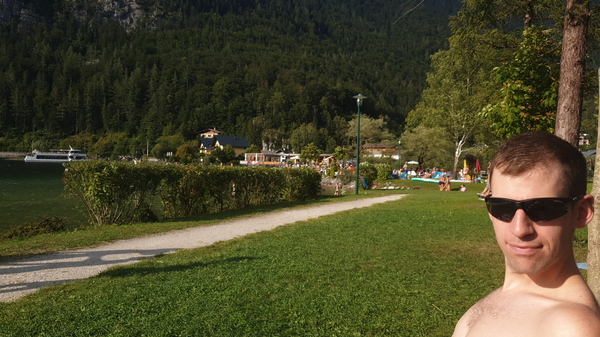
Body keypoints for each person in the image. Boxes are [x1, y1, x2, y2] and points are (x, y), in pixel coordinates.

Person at [452, 131, 600, 336]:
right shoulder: (490, 304)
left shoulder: (572, 327)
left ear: (581, 213)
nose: (520, 229)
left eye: (542, 209)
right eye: (502, 207)